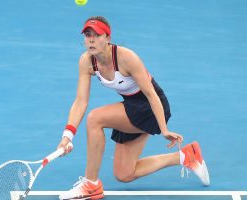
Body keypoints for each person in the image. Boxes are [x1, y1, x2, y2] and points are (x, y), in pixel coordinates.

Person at [57, 16, 210, 200]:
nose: (91, 39)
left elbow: (152, 95)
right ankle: (186, 156)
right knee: (124, 174)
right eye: (88, 35)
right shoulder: (86, 62)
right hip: (131, 106)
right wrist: (67, 136)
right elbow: (80, 101)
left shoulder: (126, 57)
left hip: (151, 106)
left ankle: (91, 184)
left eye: (97, 35)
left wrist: (164, 129)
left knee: (95, 118)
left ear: (107, 37)